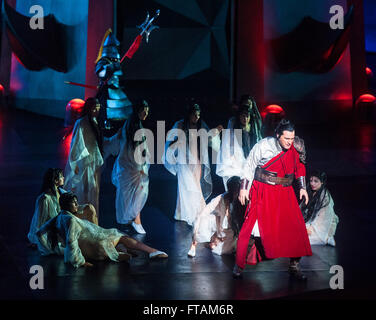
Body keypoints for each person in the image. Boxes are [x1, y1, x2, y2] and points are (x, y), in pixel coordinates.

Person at [233, 119, 312, 280]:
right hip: (263, 191)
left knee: (296, 228)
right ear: (277, 135)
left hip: (285, 192)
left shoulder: (295, 146)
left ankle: (294, 266)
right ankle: (239, 265)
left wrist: (302, 187)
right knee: (251, 229)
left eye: (292, 138)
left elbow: (299, 167)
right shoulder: (263, 146)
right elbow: (249, 166)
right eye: (286, 139)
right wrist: (243, 188)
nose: (290, 142)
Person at [36, 192, 168, 268]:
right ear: (66, 204)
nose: (77, 205)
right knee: (121, 236)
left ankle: (121, 251)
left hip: (91, 250)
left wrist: (52, 250)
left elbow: (39, 233)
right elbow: (71, 241)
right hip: (98, 248)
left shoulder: (58, 217)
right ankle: (152, 251)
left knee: (115, 235)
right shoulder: (70, 220)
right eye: (74, 203)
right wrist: (80, 262)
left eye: (77, 202)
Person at [164, 103, 222, 226]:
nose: (196, 117)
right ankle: (194, 214)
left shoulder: (200, 126)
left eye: (198, 114)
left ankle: (180, 213)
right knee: (189, 188)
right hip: (183, 162)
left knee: (193, 187)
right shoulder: (179, 125)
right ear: (189, 114)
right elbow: (170, 144)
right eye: (194, 114)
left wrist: (216, 131)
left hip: (197, 162)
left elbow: (208, 138)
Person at [107, 100, 151, 234]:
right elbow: (132, 149)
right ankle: (132, 221)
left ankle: (135, 220)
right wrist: (140, 166)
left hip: (132, 166)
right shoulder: (132, 126)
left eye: (147, 111)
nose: (146, 113)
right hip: (130, 166)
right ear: (138, 111)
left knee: (137, 193)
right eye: (144, 110)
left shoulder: (135, 125)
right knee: (129, 194)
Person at [28, 168, 98, 246]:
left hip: (66, 219)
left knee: (90, 208)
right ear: (55, 180)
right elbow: (39, 221)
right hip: (58, 226)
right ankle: (93, 240)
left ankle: (95, 236)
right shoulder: (45, 199)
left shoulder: (62, 192)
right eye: (61, 176)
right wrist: (36, 240)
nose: (63, 178)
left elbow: (72, 207)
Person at [64, 98, 104, 215]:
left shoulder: (94, 121)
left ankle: (91, 216)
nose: (97, 110)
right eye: (94, 108)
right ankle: (81, 215)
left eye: (98, 108)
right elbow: (76, 143)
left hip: (93, 161)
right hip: (85, 161)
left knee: (93, 189)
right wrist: (75, 162)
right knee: (83, 189)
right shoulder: (81, 123)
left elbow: (96, 142)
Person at [187, 176, 242, 257]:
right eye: (234, 190)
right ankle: (194, 244)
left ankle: (216, 240)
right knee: (203, 219)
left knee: (224, 251)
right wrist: (198, 225)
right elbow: (205, 211)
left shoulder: (241, 199)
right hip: (219, 224)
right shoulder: (222, 198)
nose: (236, 193)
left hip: (233, 229)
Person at [216, 100, 263, 191]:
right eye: (242, 116)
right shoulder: (234, 131)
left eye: (247, 116)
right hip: (237, 165)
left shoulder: (253, 129)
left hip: (250, 163)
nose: (245, 118)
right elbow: (228, 149)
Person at [301, 170, 339, 246]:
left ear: (322, 182)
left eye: (316, 181)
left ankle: (327, 238)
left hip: (321, 226)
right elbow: (302, 209)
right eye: (311, 181)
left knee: (300, 239)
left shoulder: (325, 196)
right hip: (311, 222)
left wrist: (310, 229)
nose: (312, 183)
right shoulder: (311, 192)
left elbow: (324, 218)